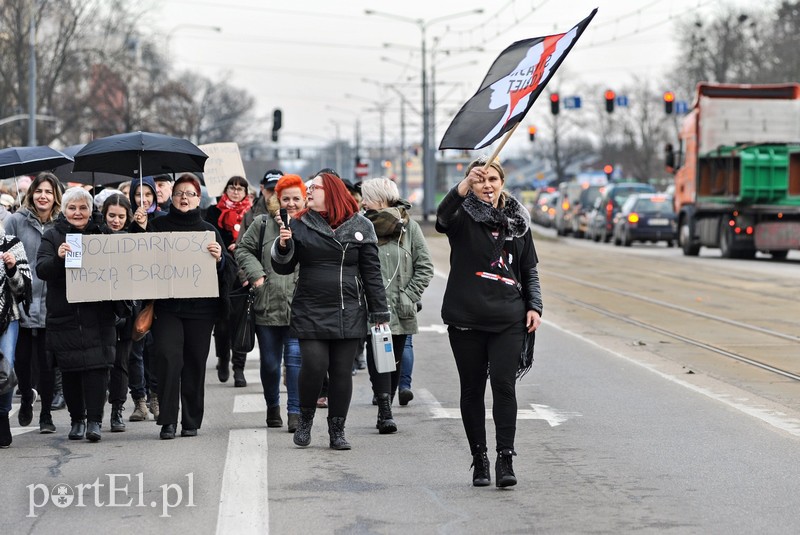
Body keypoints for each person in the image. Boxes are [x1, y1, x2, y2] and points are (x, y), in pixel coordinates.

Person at [436, 157, 543, 488]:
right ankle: (479, 458)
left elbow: (529, 270)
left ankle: (505, 458)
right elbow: (441, 218)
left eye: (492, 178)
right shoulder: (461, 216)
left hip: (508, 318)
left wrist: (534, 306)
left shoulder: (518, 222)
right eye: (480, 179)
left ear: (501, 182)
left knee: (503, 385)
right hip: (466, 318)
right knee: (471, 389)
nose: (487, 184)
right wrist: (462, 186)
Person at [272, 172, 389, 450]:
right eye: (308, 187)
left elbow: (372, 274)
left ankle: (337, 430)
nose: (308, 191)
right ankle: (305, 421)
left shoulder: (361, 226)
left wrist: (380, 312)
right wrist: (284, 245)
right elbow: (283, 267)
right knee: (313, 365)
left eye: (314, 187)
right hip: (310, 307)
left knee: (341, 371)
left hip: (348, 308)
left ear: (333, 191)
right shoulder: (299, 223)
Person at [134, 174, 234, 440]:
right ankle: (168, 420)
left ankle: (191, 421)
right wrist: (141, 230)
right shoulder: (157, 226)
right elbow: (140, 259)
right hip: (167, 308)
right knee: (167, 358)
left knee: (194, 364)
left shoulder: (208, 230)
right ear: (171, 196)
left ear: (198, 198)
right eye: (179, 193)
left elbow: (228, 271)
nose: (184, 197)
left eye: (190, 193)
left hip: (201, 311)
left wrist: (220, 259)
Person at [37, 187, 117, 443]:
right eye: (72, 208)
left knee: (97, 370)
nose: (78, 212)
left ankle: (94, 421)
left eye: (83, 208)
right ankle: (77, 420)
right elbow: (42, 269)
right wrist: (59, 258)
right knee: (70, 371)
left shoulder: (102, 234)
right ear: (64, 210)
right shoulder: (52, 236)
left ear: (90, 210)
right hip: (65, 315)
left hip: (98, 314)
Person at [360, 177, 433, 434]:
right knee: (376, 359)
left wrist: (408, 296)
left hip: (400, 309)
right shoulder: (359, 226)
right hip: (371, 308)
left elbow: (425, 266)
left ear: (380, 199)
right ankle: (385, 411)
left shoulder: (408, 227)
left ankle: (386, 405)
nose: (362, 202)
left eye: (366, 197)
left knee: (395, 361)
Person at [237, 174, 304, 432]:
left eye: (296, 198)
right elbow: (243, 249)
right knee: (270, 363)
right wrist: (257, 276)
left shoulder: (310, 224)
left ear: (303, 199)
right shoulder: (262, 223)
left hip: (299, 305)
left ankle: (295, 411)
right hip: (267, 304)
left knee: (296, 360)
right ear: (277, 199)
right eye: (285, 198)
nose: (291, 203)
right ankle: (272, 406)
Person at [4, 172, 62, 433]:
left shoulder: (60, 225)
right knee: (22, 361)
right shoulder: (16, 221)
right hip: (21, 303)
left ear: (55, 197)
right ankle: (27, 396)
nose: (43, 196)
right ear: (31, 194)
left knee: (47, 362)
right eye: (39, 191)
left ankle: (46, 415)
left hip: (52, 303)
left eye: (49, 192)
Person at [205, 175, 252, 387]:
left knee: (242, 323)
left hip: (243, 273)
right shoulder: (214, 212)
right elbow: (209, 237)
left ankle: (239, 368)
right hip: (221, 272)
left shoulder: (251, 214)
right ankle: (223, 358)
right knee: (222, 323)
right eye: (232, 188)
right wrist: (226, 249)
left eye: (240, 189)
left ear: (246, 192)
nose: (235, 192)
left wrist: (241, 246)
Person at [128, 176, 163, 421]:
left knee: (155, 347)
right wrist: (136, 227)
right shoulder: (126, 219)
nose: (144, 198)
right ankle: (139, 400)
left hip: (157, 292)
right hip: (133, 292)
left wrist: (148, 227)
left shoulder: (162, 219)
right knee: (135, 349)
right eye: (139, 194)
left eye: (148, 194)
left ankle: (156, 395)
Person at [101, 194, 135, 432]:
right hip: (101, 311)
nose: (116, 221)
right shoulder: (95, 238)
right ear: (104, 215)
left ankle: (117, 410)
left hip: (128, 310)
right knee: (102, 363)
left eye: (121, 216)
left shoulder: (135, 238)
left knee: (121, 363)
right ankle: (93, 412)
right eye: (111, 216)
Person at [0, 226, 33, 448]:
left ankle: (2, 416)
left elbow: (23, 289)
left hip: (6, 317)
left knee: (5, 370)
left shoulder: (11, 243)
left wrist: (12, 269)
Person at [240, 169, 282, 238]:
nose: (274, 194)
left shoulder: (292, 212)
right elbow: (241, 245)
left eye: (278, 190)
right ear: (262, 188)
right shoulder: (249, 214)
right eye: (271, 189)